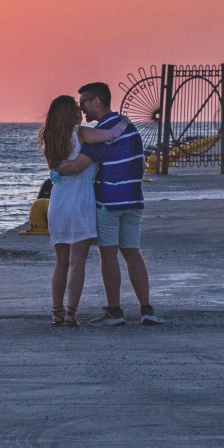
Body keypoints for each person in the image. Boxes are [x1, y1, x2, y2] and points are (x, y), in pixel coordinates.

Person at [64, 82, 165, 326]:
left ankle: (114, 311)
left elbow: (80, 165)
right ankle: (146, 309)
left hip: (109, 201)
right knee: (133, 253)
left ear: (96, 101)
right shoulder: (129, 128)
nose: (82, 109)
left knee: (108, 254)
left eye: (84, 102)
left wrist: (57, 169)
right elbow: (141, 165)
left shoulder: (103, 132)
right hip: (133, 199)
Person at [39, 95, 128, 327]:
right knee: (77, 262)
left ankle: (56, 313)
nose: (80, 111)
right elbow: (111, 135)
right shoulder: (81, 132)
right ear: (71, 113)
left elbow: (56, 169)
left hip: (58, 200)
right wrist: (123, 122)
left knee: (60, 261)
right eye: (77, 108)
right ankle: (71, 313)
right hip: (80, 199)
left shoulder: (51, 136)